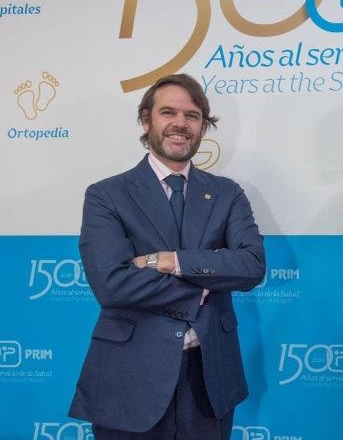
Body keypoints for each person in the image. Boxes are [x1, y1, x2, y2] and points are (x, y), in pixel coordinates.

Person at [69, 74, 265, 439]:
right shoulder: (106, 195)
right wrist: (204, 283)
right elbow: (112, 285)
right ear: (147, 120)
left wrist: (168, 261)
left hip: (209, 379)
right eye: (168, 112)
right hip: (130, 376)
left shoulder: (227, 194)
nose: (181, 123)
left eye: (192, 115)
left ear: (203, 126)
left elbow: (251, 266)